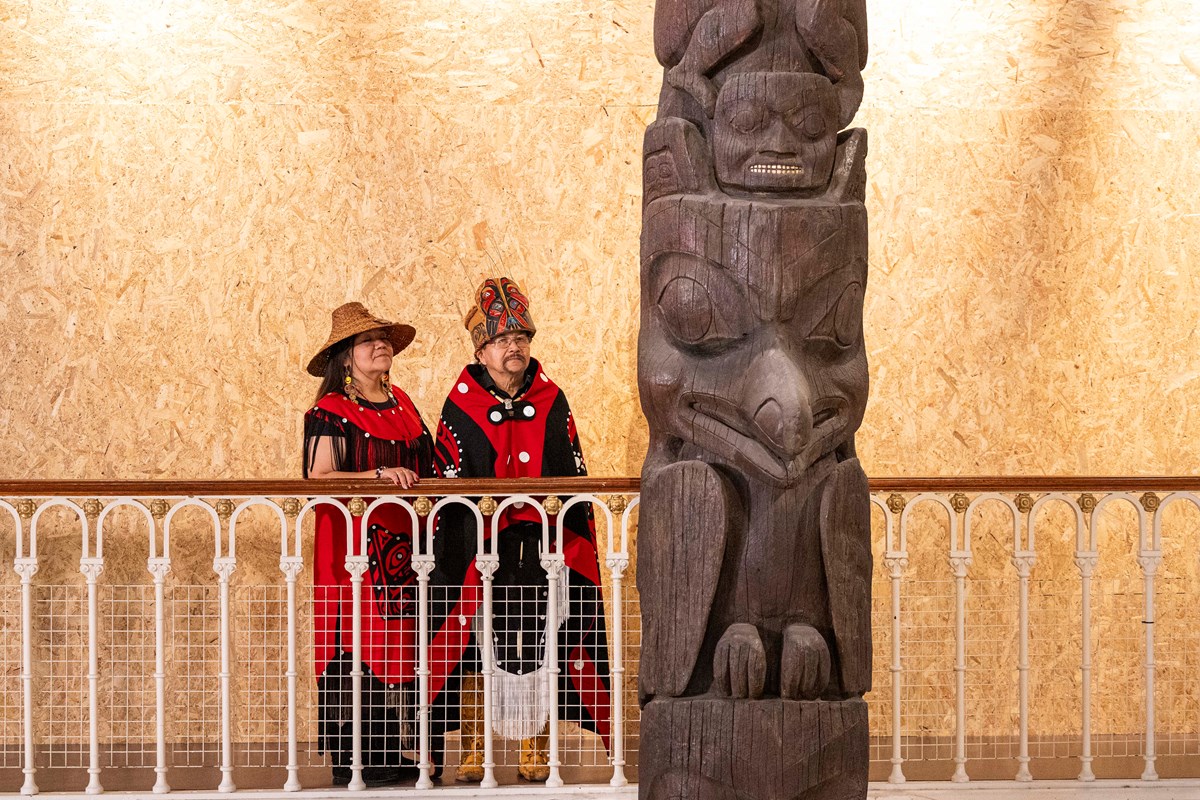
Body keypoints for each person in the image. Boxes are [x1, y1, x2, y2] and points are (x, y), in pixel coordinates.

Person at [428, 277, 611, 782]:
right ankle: (473, 749)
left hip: (541, 548)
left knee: (542, 641)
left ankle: (536, 749)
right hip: (479, 549)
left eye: (522, 339)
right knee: (472, 646)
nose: (515, 347)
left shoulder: (553, 398)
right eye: (504, 340)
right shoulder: (459, 403)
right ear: (481, 349)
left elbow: (570, 473)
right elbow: (450, 483)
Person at [303, 301, 435, 787]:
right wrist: (376, 476)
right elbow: (318, 478)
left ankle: (389, 752)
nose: (381, 345)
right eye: (367, 341)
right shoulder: (330, 411)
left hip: (404, 548)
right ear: (345, 357)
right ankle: (353, 758)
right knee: (354, 640)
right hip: (352, 548)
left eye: (384, 338)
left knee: (396, 643)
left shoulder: (403, 404)